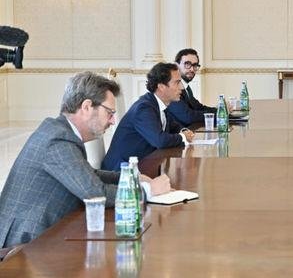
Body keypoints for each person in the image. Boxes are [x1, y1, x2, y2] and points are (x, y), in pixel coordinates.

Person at [0, 72, 170, 248]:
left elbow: (88, 174)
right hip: (24, 245)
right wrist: (148, 190)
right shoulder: (58, 139)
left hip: (46, 237)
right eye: (109, 113)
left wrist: (130, 178)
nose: (113, 121)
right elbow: (94, 193)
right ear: (87, 107)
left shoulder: (60, 131)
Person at [102, 63, 195, 171]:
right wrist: (183, 137)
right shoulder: (144, 108)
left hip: (142, 165)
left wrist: (184, 131)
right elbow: (160, 140)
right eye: (177, 83)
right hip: (121, 172)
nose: (181, 88)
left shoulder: (158, 104)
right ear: (161, 86)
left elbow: (174, 126)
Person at [167, 48, 217, 127]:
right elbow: (188, 116)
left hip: (190, 130)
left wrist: (220, 110)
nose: (192, 69)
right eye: (187, 64)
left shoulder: (186, 87)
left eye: (195, 65)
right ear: (176, 65)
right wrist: (217, 114)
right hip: (177, 133)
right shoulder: (171, 88)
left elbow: (198, 107)